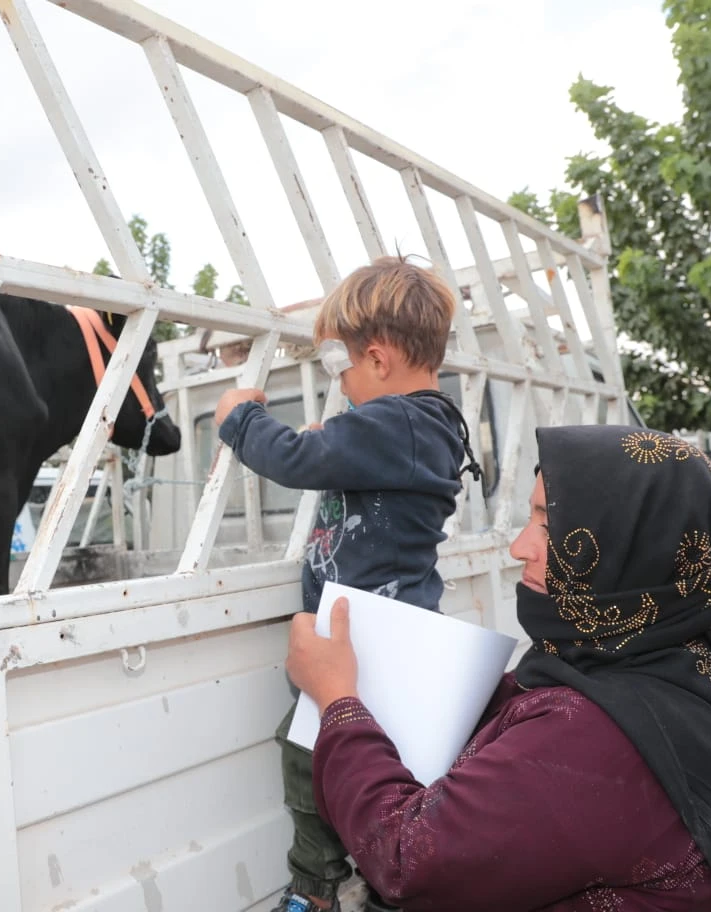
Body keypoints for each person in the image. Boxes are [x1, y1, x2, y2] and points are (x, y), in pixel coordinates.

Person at [285, 424, 711, 911]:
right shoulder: (686, 663)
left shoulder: (594, 734)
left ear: (630, 548)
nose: (520, 547)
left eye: (550, 522)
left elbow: (408, 858)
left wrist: (338, 701)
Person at [213, 255, 480, 912]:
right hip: (391, 629)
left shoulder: (400, 424)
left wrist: (239, 418)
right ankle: (381, 885)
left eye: (343, 370)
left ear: (381, 358)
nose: (344, 386)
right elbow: (353, 464)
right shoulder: (420, 425)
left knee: (309, 753)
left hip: (371, 641)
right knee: (385, 765)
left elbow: (297, 459)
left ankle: (317, 889)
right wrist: (337, 441)